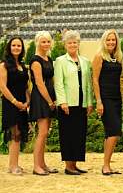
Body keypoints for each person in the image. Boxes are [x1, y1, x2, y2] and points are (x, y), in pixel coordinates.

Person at [53, 31, 95, 175]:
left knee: (79, 134)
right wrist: (62, 102)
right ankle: (68, 166)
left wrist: (90, 102)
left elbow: (88, 84)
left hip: (81, 103)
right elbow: (58, 83)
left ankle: (75, 164)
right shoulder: (60, 61)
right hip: (67, 104)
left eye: (75, 42)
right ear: (65, 44)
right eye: (69, 42)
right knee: (67, 134)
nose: (72, 45)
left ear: (78, 44)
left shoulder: (85, 61)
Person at [92, 29, 123, 176]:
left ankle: (107, 165)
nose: (111, 42)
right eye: (108, 40)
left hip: (116, 98)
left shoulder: (117, 57)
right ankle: (105, 165)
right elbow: (95, 80)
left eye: (113, 40)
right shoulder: (99, 57)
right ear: (104, 41)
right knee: (114, 132)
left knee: (110, 133)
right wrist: (99, 101)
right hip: (105, 99)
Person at [0, 37, 30, 175]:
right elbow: (3, 87)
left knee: (19, 133)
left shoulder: (23, 66)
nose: (16, 47)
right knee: (14, 133)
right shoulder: (3, 65)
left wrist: (27, 102)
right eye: (14, 45)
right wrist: (15, 102)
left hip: (22, 104)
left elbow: (25, 87)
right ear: (9, 47)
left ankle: (15, 164)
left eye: (19, 45)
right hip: (10, 104)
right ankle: (12, 166)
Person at [29, 31, 57, 176]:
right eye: (43, 41)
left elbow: (51, 80)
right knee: (42, 132)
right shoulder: (36, 60)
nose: (46, 44)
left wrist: (54, 98)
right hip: (41, 98)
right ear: (37, 42)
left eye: (48, 41)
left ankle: (43, 164)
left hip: (50, 97)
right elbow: (39, 83)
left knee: (45, 133)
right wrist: (49, 101)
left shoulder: (49, 58)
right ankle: (36, 166)